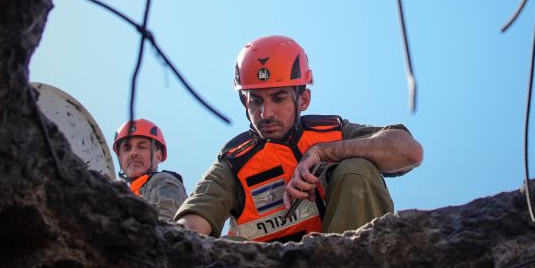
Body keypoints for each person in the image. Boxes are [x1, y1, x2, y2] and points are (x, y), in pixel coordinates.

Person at [174, 35, 423, 242]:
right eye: (256, 101)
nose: (265, 113)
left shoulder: (332, 131)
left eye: (279, 98)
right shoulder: (233, 162)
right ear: (244, 102)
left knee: (357, 167)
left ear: (303, 99)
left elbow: (409, 151)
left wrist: (322, 152)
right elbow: (192, 225)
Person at [113, 118, 187, 221]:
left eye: (142, 147)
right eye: (127, 148)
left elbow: (166, 226)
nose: (133, 153)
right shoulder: (120, 195)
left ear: (158, 155)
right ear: (120, 158)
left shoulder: (163, 181)